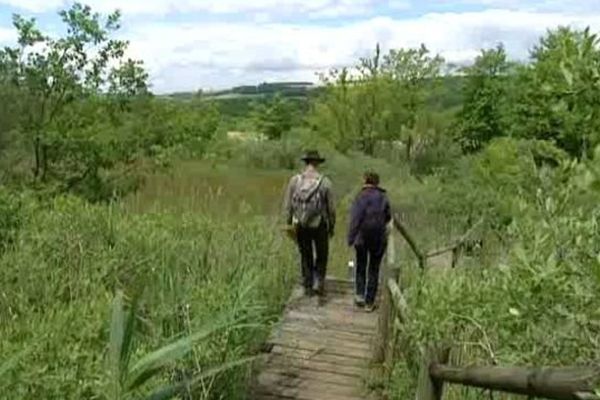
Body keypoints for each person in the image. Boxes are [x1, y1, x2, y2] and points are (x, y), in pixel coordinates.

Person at [283, 150, 336, 298]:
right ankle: (319, 282)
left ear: (306, 162)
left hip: (301, 223)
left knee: (305, 255)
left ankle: (307, 285)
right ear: (318, 163)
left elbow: (288, 204)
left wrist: (289, 223)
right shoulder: (325, 182)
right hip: (320, 224)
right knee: (322, 254)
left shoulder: (295, 180)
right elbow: (331, 208)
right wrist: (331, 226)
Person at [347, 171, 391, 312]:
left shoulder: (360, 196)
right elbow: (388, 217)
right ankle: (369, 302)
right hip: (378, 238)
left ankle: (360, 294)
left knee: (361, 265)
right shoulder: (383, 197)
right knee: (374, 268)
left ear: (365, 180)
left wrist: (351, 238)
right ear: (377, 183)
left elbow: (355, 219)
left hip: (361, 237)